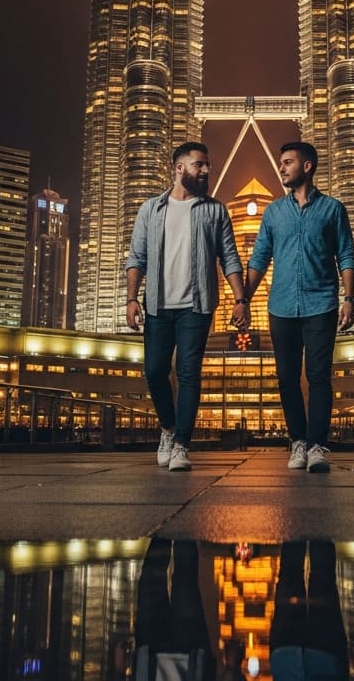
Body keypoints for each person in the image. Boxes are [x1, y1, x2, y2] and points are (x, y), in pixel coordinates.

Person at [126, 141, 249, 471]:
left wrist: (241, 300)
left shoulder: (215, 210)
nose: (206, 170)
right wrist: (131, 299)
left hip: (197, 306)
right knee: (154, 371)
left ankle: (181, 444)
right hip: (157, 306)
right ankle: (168, 427)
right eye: (199, 165)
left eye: (208, 165)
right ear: (179, 168)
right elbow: (137, 258)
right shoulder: (150, 209)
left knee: (189, 373)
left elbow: (230, 258)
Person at [245, 142, 354, 473]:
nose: (281, 168)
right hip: (280, 307)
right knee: (286, 378)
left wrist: (349, 298)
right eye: (280, 163)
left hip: (321, 303)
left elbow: (346, 256)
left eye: (288, 162)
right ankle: (297, 442)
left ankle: (317, 445)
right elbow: (259, 258)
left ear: (307, 166)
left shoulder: (333, 210)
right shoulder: (273, 212)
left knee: (319, 376)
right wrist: (243, 300)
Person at [132, 539, 215, 680]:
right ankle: (182, 530)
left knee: (153, 579)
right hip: (189, 653)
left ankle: (166, 529)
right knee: (184, 582)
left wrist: (119, 672)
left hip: (152, 653)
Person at [269, 541, 349, 679]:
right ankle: (301, 528)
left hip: (320, 658)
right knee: (296, 578)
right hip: (293, 659)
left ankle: (305, 528)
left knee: (320, 580)